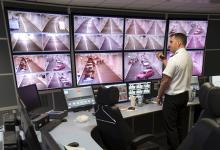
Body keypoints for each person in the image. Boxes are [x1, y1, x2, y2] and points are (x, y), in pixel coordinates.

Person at [156, 33, 193, 150]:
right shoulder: (188, 56)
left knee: (170, 128)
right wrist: (163, 60)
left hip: (172, 99)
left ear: (179, 43)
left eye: (171, 42)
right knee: (180, 126)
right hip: (184, 97)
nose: (169, 45)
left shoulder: (175, 59)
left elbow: (165, 81)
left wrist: (159, 96)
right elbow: (174, 69)